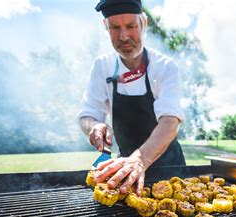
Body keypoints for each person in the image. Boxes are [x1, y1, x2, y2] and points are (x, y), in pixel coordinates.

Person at [77, 0, 185, 195]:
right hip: (126, 166)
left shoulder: (165, 67)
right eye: (115, 28)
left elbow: (170, 121)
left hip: (170, 167)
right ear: (106, 27)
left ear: (143, 23)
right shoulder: (102, 66)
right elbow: (87, 115)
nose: (124, 36)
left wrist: (141, 159)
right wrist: (93, 127)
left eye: (131, 26)